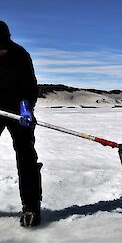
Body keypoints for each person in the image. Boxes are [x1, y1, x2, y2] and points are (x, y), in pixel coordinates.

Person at [0, 21, 42, 227]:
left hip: (18, 110)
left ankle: (31, 206)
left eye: (3, 46)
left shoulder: (19, 55)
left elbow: (29, 86)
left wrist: (26, 108)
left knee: (26, 156)